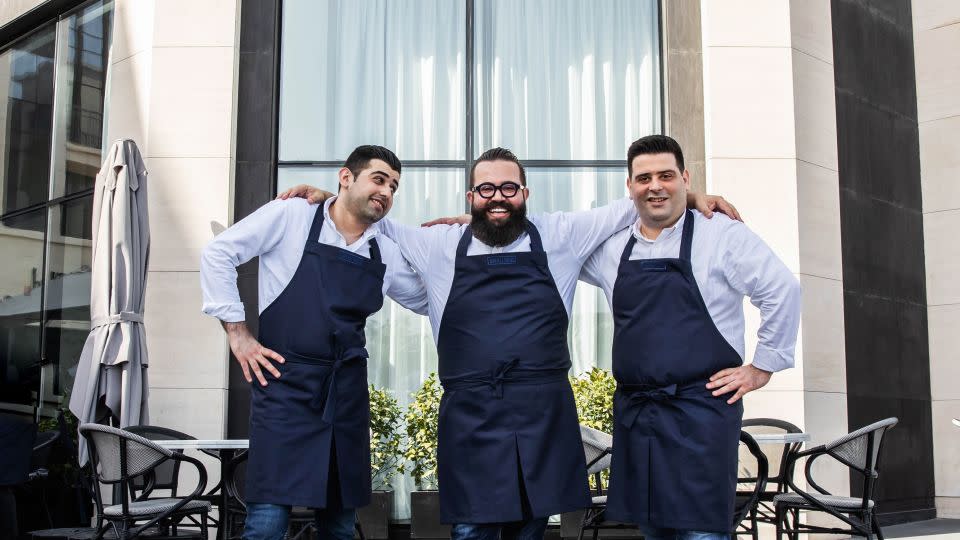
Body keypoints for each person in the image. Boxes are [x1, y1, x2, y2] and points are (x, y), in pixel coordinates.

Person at [278, 147, 738, 540]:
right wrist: (327, 197)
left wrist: (692, 196)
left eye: (508, 188)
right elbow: (366, 217)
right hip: (471, 415)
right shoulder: (436, 244)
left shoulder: (561, 234)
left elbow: (640, 202)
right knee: (472, 530)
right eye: (487, 189)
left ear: (525, 194)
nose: (498, 197)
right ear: (471, 197)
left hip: (543, 411)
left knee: (531, 528)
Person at [580, 135, 801, 540]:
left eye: (666, 176)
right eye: (643, 178)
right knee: (654, 532)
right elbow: (550, 245)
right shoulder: (611, 248)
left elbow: (782, 289)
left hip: (701, 410)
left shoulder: (722, 235)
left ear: (685, 178)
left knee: (702, 533)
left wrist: (761, 368)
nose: (655, 186)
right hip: (638, 414)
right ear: (629, 187)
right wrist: (483, 221)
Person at [200, 145, 427, 540]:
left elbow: (426, 299)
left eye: (393, 186)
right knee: (268, 522)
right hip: (284, 387)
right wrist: (239, 335)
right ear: (345, 177)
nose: (387, 191)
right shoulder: (292, 216)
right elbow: (218, 254)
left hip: (346, 393)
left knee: (339, 524)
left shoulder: (384, 250)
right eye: (378, 179)